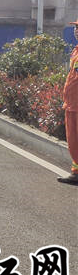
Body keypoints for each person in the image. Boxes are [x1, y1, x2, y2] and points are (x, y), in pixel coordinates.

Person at [58, 20, 78, 186]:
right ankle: (76, 172)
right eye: (76, 27)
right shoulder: (76, 50)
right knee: (73, 140)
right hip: (71, 104)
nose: (76, 31)